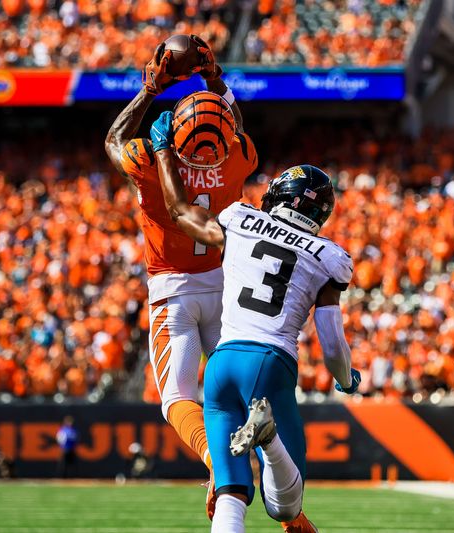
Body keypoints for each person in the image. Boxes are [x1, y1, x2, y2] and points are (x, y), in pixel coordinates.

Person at [151, 126, 360, 533]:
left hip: (222, 365)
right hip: (269, 362)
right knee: (286, 507)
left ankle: (262, 440)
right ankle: (269, 439)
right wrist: (346, 379)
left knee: (230, 493)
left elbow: (178, 210)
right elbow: (332, 341)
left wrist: (162, 149)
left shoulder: (238, 219)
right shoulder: (329, 256)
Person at [104, 35, 257, 519]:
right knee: (234, 391)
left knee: (177, 399)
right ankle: (286, 501)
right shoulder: (240, 156)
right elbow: (234, 124)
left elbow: (112, 139)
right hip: (224, 284)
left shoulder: (151, 161)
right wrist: (214, 79)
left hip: (173, 289)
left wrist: (151, 89)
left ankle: (219, 462)